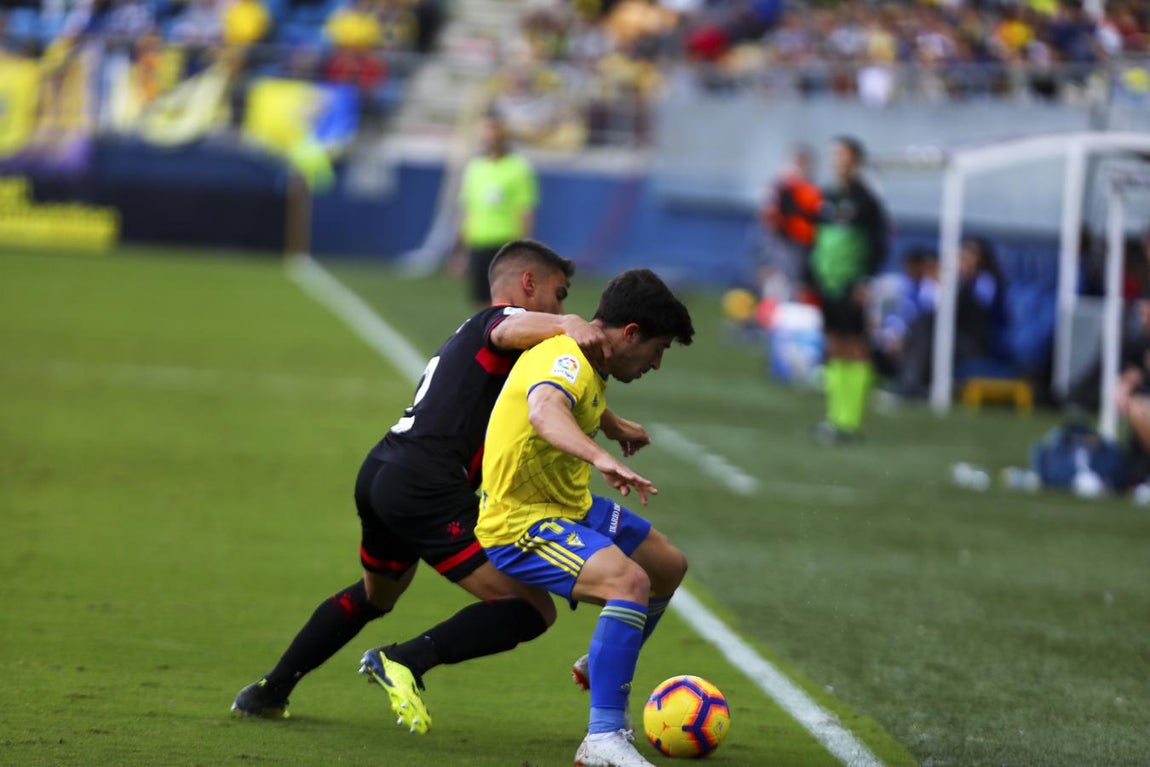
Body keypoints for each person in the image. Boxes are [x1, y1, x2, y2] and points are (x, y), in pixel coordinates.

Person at [231, 240, 611, 728]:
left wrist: (611, 421)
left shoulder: (502, 345)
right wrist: (567, 324)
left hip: (384, 471)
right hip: (426, 485)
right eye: (558, 296)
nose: (562, 308)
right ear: (527, 284)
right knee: (530, 608)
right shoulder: (499, 320)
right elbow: (509, 326)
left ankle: (269, 690)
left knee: (377, 596)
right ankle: (404, 660)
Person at [475, 268, 696, 767]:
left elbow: (575, 405)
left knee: (667, 566)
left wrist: (612, 426)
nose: (657, 364)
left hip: (568, 506)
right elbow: (545, 411)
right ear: (631, 334)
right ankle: (602, 739)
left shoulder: (587, 362)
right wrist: (600, 458)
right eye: (657, 349)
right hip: (520, 522)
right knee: (629, 583)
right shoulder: (566, 357)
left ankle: (604, 663)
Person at [808, 135, 888, 444]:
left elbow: (879, 244)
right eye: (834, 156)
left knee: (855, 347)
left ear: (855, 161)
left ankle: (850, 421)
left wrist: (865, 280)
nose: (837, 162)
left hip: (852, 283)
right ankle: (833, 417)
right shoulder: (826, 196)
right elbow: (818, 238)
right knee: (834, 344)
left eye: (843, 156)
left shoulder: (867, 201)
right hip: (828, 281)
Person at [891, 236, 1008, 398]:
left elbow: (978, 310)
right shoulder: (945, 282)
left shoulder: (984, 282)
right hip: (948, 335)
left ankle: (913, 383)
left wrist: (958, 283)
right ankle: (910, 381)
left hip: (972, 341)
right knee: (920, 328)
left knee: (925, 329)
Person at [457, 116, 539, 308]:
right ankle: (487, 337)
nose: (490, 140)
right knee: (481, 302)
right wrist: (460, 249)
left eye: (494, 135)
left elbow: (525, 209)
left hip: (505, 243)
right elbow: (468, 209)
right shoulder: (475, 168)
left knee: (508, 303)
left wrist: (525, 247)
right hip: (478, 241)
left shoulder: (518, 168)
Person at [758, 143, 821, 302]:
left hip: (803, 246)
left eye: (803, 162)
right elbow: (767, 216)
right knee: (778, 284)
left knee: (797, 287)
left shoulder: (811, 189)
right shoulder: (779, 186)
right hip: (782, 244)